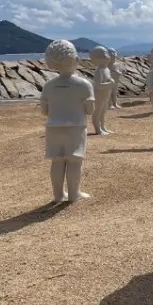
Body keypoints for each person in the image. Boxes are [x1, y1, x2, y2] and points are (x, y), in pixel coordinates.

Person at [40, 40, 95, 203]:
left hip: (53, 127)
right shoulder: (84, 85)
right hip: (75, 127)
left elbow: (44, 111)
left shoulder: (49, 86)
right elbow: (90, 110)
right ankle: (73, 194)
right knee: (74, 161)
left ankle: (58, 195)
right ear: (75, 60)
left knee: (57, 161)